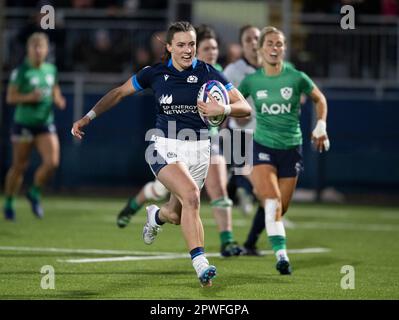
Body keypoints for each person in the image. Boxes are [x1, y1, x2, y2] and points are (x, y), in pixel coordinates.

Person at [71, 21, 251, 286]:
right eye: (181, 45)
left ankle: (155, 215)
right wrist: (88, 117)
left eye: (191, 44)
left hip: (200, 149)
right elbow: (120, 92)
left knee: (177, 214)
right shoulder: (154, 73)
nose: (188, 50)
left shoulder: (208, 73)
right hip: (163, 146)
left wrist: (222, 110)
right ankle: (201, 265)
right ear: (169, 47)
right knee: (191, 196)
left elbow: (244, 107)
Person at [238, 26, 329, 275]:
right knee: (272, 201)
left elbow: (319, 98)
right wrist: (221, 110)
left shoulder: (296, 77)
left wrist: (321, 125)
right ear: (260, 49)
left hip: (292, 148)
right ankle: (282, 256)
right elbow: (234, 100)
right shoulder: (251, 80)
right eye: (269, 43)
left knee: (280, 207)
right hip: (262, 146)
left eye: (279, 44)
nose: (274, 48)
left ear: (284, 48)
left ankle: (267, 243)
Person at [3, 32, 66, 221]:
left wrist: (58, 99)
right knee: (20, 166)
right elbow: (10, 98)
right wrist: (29, 97)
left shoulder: (51, 69)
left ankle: (34, 192)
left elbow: (54, 89)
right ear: (29, 50)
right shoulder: (21, 72)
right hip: (24, 124)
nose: (38, 51)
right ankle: (9, 202)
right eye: (35, 47)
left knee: (52, 162)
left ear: (46, 50)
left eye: (41, 47)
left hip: (44, 124)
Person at [195, 25, 242, 257]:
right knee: (176, 205)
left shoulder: (219, 74)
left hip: (210, 142)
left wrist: (222, 112)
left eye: (214, 48)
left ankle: (228, 241)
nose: (212, 52)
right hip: (181, 142)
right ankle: (155, 215)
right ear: (195, 51)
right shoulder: (186, 75)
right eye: (206, 48)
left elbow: (238, 107)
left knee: (219, 189)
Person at [224, 25, 261, 218]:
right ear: (242, 45)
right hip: (240, 131)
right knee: (251, 172)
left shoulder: (274, 67)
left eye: (256, 38)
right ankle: (242, 191)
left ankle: (239, 188)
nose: (254, 43)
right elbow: (221, 99)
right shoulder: (233, 70)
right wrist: (233, 115)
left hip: (266, 131)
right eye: (248, 39)